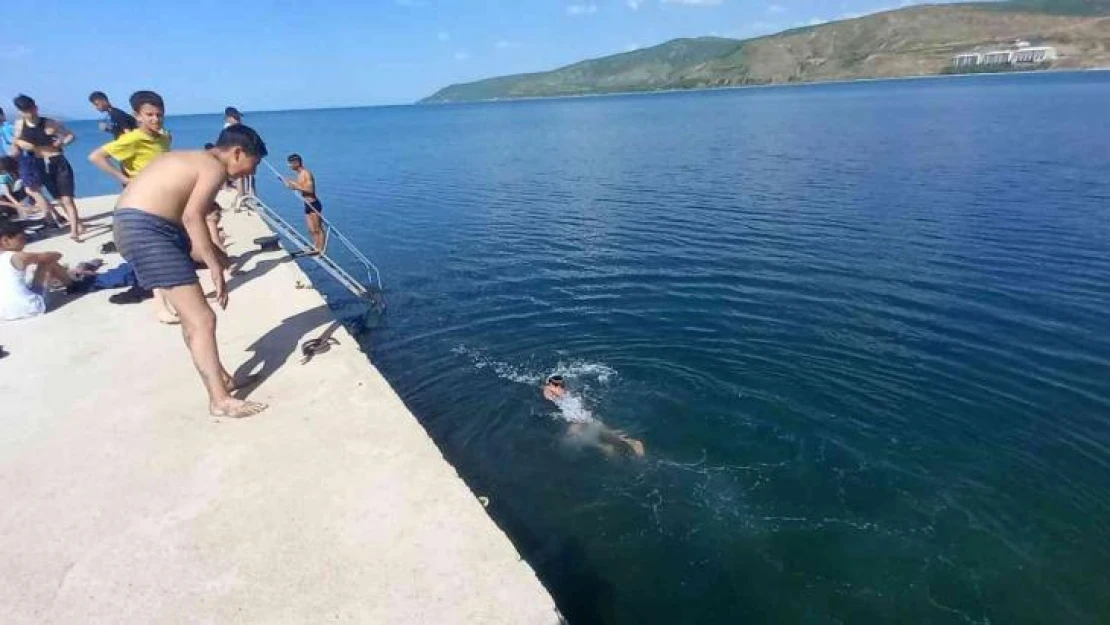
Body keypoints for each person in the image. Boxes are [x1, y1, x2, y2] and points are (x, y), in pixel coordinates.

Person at [112, 124, 268, 418]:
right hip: (147, 230)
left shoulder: (194, 158)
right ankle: (220, 401)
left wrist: (217, 255)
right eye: (253, 164)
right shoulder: (213, 167)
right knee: (202, 319)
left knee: (191, 316)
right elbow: (192, 215)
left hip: (140, 226)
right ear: (237, 153)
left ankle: (222, 380)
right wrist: (214, 268)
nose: (251, 173)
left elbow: (186, 219)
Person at [89, 90, 178, 323]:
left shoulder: (164, 137)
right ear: (137, 115)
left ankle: (168, 301)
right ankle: (161, 305)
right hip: (141, 201)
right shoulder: (132, 139)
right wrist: (124, 178)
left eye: (159, 114)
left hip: (163, 199)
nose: (155, 119)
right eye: (149, 114)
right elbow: (96, 157)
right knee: (153, 252)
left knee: (167, 250)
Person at [11, 95, 83, 241]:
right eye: (25, 111)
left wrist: (61, 142)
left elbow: (70, 136)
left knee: (67, 198)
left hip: (57, 161)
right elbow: (16, 142)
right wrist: (18, 148)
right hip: (39, 163)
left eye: (31, 109)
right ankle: (76, 223)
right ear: (21, 112)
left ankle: (74, 231)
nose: (30, 113)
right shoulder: (19, 125)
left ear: (36, 107)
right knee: (58, 198)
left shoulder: (50, 123)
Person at [542, 375, 646, 457]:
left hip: (577, 420)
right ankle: (630, 442)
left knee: (569, 441)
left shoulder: (550, 390)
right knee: (605, 432)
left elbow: (547, 395)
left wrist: (546, 389)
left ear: (554, 385)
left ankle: (603, 447)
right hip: (587, 416)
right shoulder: (568, 392)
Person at [0, 219, 72, 321]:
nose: (25, 242)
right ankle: (72, 285)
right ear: (6, 241)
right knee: (48, 262)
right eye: (21, 238)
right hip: (29, 308)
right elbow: (56, 255)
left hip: (3, 314)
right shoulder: (19, 256)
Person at [1, 106, 54, 226]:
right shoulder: (3, 130)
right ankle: (54, 216)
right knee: (33, 191)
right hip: (17, 163)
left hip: (25, 160)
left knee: (32, 190)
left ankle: (49, 219)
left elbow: (22, 143)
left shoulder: (10, 128)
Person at [283, 153, 326, 254]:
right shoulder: (299, 175)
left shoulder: (306, 173)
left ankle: (321, 249)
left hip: (314, 204)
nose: (289, 166)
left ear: (296, 163)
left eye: (290, 164)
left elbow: (310, 190)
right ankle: (315, 246)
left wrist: (295, 186)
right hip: (306, 204)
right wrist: (290, 183)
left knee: (317, 229)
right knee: (311, 229)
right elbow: (301, 186)